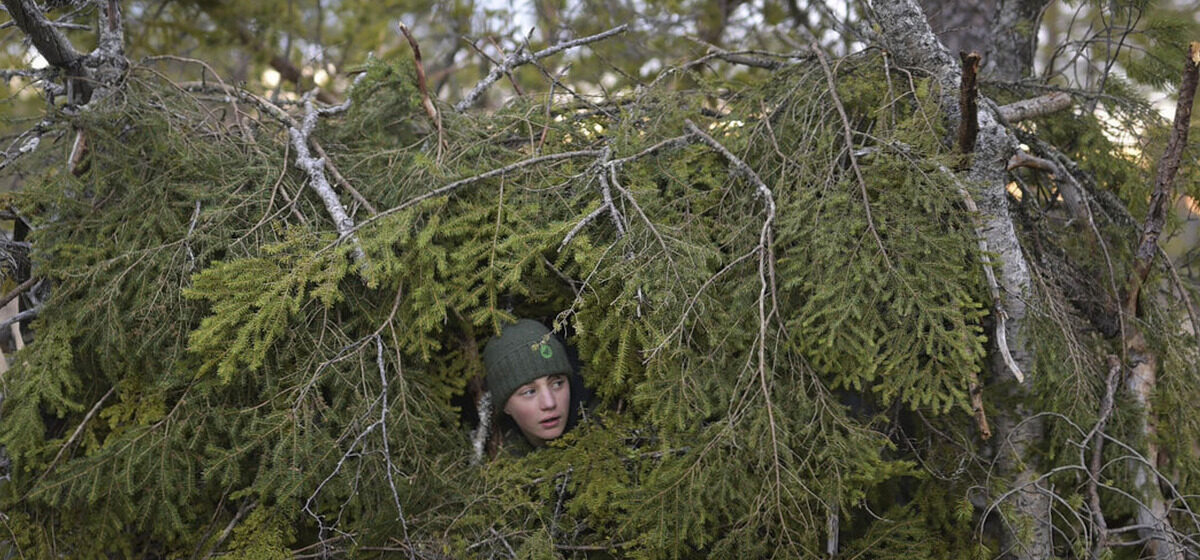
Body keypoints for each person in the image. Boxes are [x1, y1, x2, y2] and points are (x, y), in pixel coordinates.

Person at [477, 319, 586, 458]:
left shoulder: (605, 423)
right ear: (505, 406)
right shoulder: (498, 461)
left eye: (557, 383)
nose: (549, 403)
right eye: (529, 392)